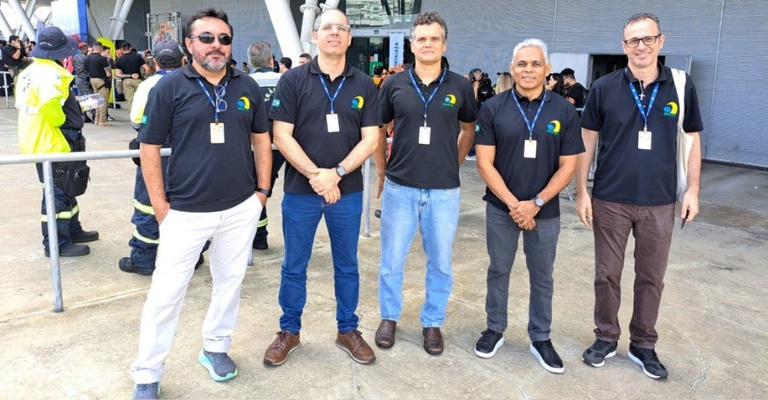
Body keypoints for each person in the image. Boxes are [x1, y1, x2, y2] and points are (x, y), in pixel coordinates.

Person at [129, 8, 272, 399]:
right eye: (206, 38)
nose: (216, 46)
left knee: (230, 284)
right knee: (166, 294)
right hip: (185, 213)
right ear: (189, 44)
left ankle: (215, 348)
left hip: (240, 208)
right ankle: (147, 372)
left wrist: (262, 193)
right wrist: (160, 206)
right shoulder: (168, 88)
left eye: (223, 39)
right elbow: (149, 147)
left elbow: (262, 140)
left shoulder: (247, 87)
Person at [576, 12, 703, 380]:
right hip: (611, 198)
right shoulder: (605, 87)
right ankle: (606, 336)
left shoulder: (680, 86)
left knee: (651, 276)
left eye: (648, 39)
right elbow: (587, 141)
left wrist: (693, 189)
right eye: (634, 40)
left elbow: (693, 139)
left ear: (661, 41)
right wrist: (581, 190)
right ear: (624, 46)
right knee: (607, 274)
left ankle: (643, 343)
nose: (641, 46)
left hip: (660, 201)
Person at [263, 8, 380, 367]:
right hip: (301, 191)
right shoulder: (293, 80)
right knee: (294, 265)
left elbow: (372, 137)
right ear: (315, 36)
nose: (334, 33)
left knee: (346, 264)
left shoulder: (363, 83)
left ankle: (347, 329)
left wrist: (338, 173)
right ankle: (289, 331)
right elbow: (281, 135)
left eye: (341, 28)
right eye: (327, 27)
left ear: (348, 37)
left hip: (347, 191)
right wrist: (318, 174)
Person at [472, 38, 584, 373]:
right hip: (501, 208)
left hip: (545, 211)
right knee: (498, 270)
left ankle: (541, 336)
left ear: (547, 69)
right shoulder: (493, 107)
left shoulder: (563, 110)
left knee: (542, 276)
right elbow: (484, 163)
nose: (528, 70)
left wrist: (535, 203)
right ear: (512, 68)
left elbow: (569, 165)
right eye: (522, 64)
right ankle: (495, 328)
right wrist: (514, 205)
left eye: (536, 64)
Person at [373, 10, 477, 356]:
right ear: (412, 45)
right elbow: (378, 129)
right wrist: (381, 171)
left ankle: (432, 322)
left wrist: (455, 162)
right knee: (392, 259)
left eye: (434, 38)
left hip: (444, 191)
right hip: (400, 187)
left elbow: (468, 129)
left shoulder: (461, 86)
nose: (428, 44)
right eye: (421, 39)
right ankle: (389, 317)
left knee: (441, 262)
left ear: (444, 43)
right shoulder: (394, 84)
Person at [15, 26, 100, 258]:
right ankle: (57, 243)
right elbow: (50, 105)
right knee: (58, 192)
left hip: (41, 139)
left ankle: (72, 230)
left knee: (67, 187)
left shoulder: (31, 72)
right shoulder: (49, 74)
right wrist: (64, 120)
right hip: (53, 141)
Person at [119, 40, 197, 276]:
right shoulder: (196, 84)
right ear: (184, 60)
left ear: (154, 63)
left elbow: (135, 121)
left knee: (148, 203)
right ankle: (193, 256)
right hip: (190, 154)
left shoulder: (147, 86)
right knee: (189, 205)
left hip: (156, 153)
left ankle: (144, 258)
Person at [247, 40, 285, 250]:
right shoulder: (286, 81)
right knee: (266, 183)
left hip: (252, 148)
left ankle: (258, 236)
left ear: (251, 62)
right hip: (282, 146)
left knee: (253, 188)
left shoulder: (244, 82)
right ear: (272, 60)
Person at [466, 67, 494, 161]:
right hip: (473, 114)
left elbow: (489, 97)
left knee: (483, 133)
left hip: (484, 113)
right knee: (473, 132)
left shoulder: (486, 85)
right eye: (476, 73)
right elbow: (473, 100)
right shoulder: (470, 86)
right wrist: (475, 86)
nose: (479, 74)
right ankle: (471, 152)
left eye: (480, 73)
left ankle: (481, 152)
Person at [115, 42, 149, 110]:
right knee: (140, 98)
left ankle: (133, 116)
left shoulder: (119, 60)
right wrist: (145, 76)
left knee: (130, 99)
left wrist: (130, 75)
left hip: (126, 81)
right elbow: (147, 68)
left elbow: (117, 74)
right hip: (138, 80)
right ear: (130, 48)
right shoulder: (137, 56)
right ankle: (141, 114)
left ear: (122, 49)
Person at [85, 42, 112, 126]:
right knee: (103, 101)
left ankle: (96, 120)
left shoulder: (87, 58)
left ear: (93, 48)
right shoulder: (102, 59)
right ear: (101, 49)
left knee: (96, 101)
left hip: (92, 80)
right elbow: (108, 72)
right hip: (101, 81)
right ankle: (102, 120)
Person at [72, 42, 94, 123]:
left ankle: (84, 115)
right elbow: (88, 69)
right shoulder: (86, 58)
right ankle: (92, 115)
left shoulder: (75, 57)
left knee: (82, 98)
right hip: (85, 79)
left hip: (78, 78)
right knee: (90, 97)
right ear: (85, 48)